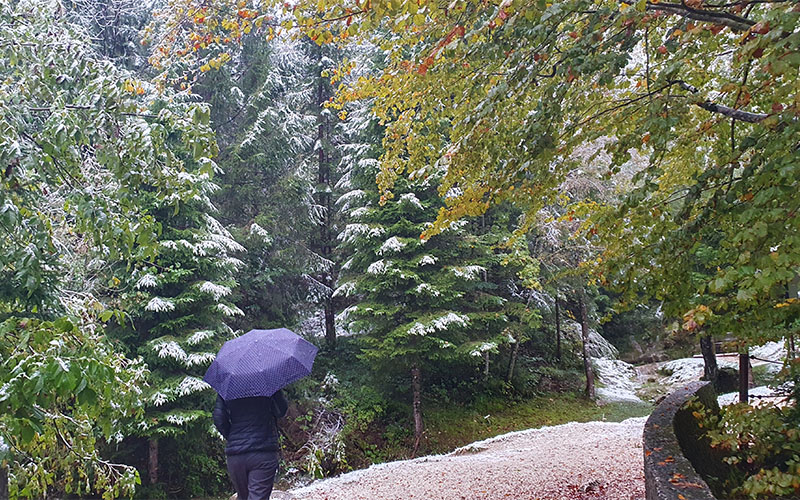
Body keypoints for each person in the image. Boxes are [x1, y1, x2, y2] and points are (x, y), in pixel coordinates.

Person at [213, 390, 289, 500]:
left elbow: (219, 418)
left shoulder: (228, 386)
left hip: (236, 456)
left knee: (243, 497)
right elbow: (281, 410)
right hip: (263, 452)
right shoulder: (267, 382)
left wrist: (233, 438)